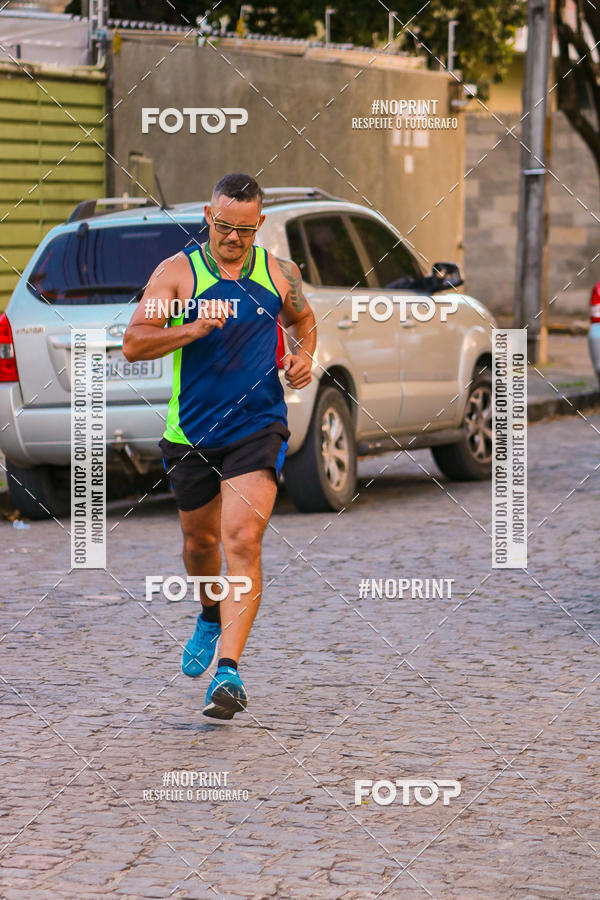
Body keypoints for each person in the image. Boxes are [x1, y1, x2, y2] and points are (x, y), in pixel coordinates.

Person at [123, 173, 316, 722]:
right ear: (209, 217)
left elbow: (303, 320)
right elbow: (134, 343)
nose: (233, 237)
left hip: (258, 426)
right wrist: (191, 328)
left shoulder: (280, 273)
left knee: (242, 539)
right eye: (224, 226)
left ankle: (228, 672)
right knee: (200, 543)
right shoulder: (177, 274)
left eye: (244, 229)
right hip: (191, 433)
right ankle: (210, 612)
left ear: (260, 223)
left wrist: (303, 356)